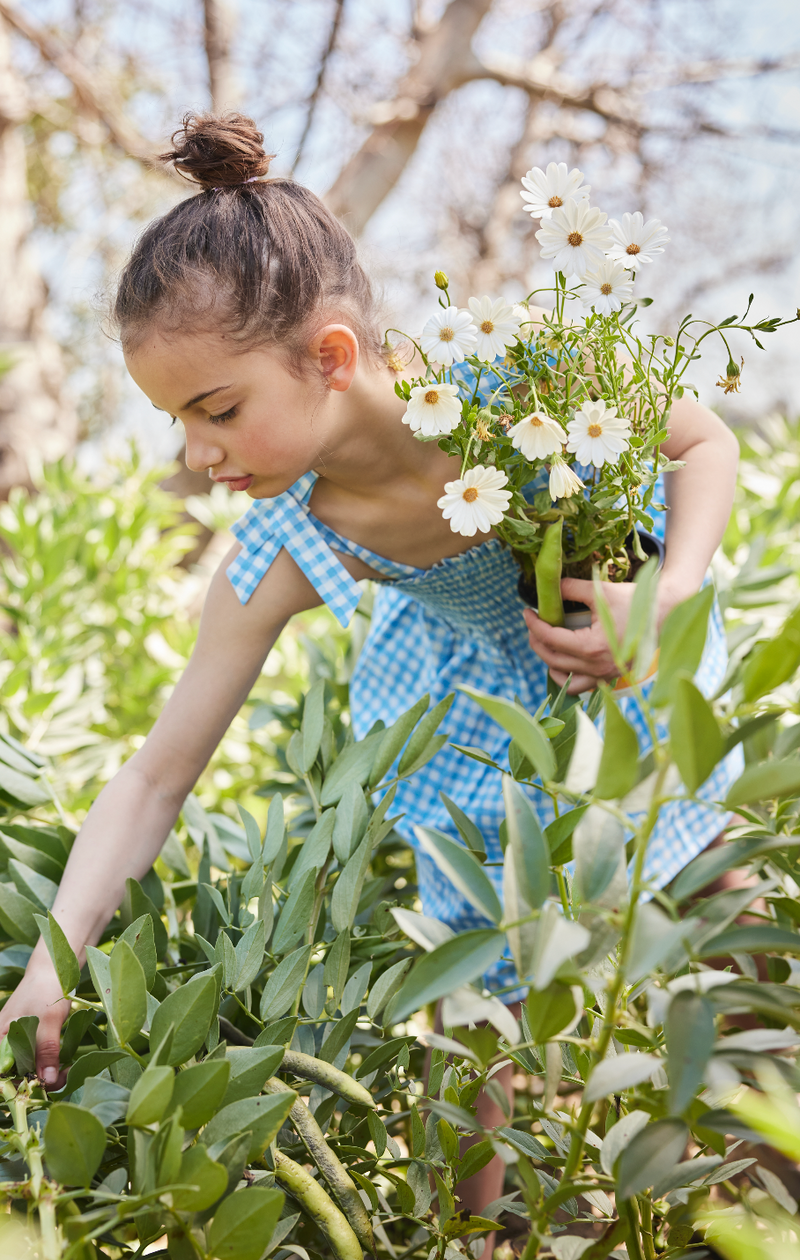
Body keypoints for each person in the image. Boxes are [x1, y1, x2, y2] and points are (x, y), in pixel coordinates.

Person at [0, 113, 742, 1219]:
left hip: (625, 682)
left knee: (732, 967)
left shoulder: (507, 376)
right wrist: (53, 965)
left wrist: (668, 592)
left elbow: (701, 441)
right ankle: (481, 1239)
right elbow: (156, 776)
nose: (198, 458)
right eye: (178, 424)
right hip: (470, 746)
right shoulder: (289, 540)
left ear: (331, 358)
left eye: (217, 410)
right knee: (476, 1059)